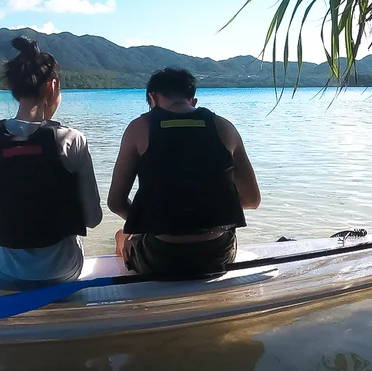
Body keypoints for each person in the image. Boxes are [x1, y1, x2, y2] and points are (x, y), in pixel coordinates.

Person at [0, 36, 102, 289]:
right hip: (63, 273)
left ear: (14, 89)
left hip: (0, 276)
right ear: (53, 85)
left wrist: (2, 215)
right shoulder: (72, 139)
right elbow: (92, 219)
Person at [107, 67, 261, 278]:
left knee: (121, 236)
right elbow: (252, 200)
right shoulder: (225, 127)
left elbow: (116, 203)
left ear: (152, 98)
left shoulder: (139, 128)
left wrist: (148, 222)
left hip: (160, 258)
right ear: (193, 101)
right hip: (217, 254)